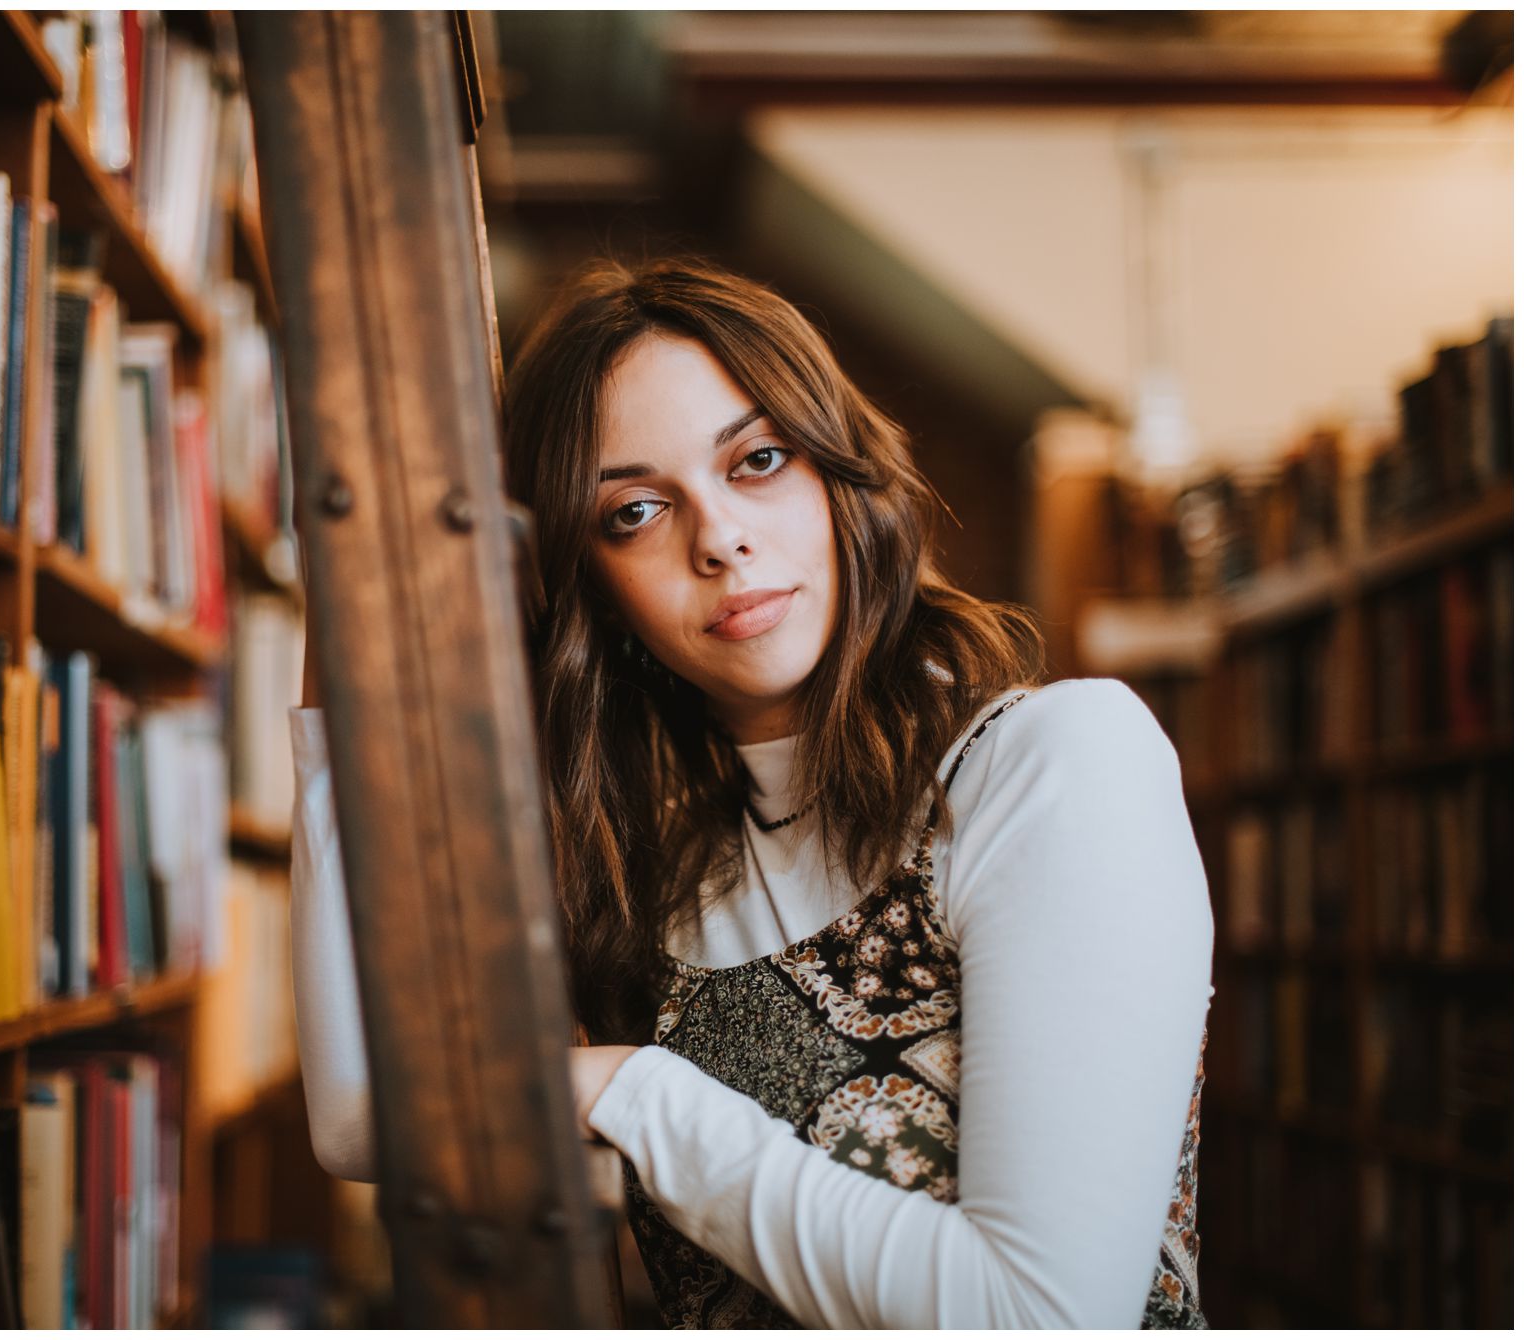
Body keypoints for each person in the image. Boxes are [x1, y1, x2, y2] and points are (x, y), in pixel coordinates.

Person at [288, 258, 1213, 1329]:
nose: (718, 536)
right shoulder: (651, 870)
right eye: (633, 510)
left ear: (836, 472)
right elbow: (363, 1119)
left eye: (757, 459)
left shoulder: (1052, 762)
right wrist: (336, 631)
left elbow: (1041, 1316)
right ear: (589, 585)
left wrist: (637, 1096)